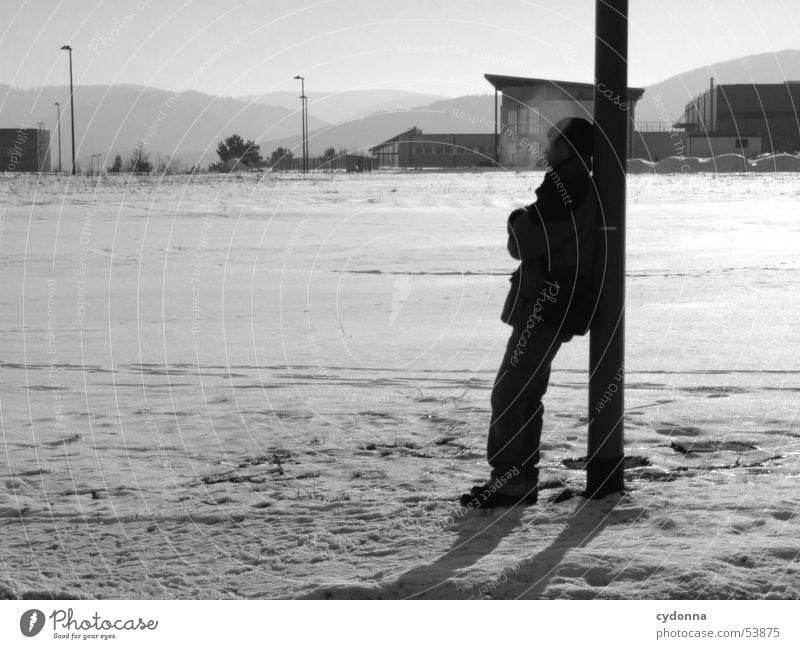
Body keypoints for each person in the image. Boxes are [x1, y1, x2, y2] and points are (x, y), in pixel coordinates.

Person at [460, 117, 597, 509]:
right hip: (554, 303)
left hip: (545, 306)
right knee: (524, 393)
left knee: (510, 391)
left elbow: (524, 242)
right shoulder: (574, 183)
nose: (547, 145)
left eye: (553, 140)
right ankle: (517, 479)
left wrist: (516, 218)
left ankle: (511, 482)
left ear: (567, 149)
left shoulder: (565, 187)